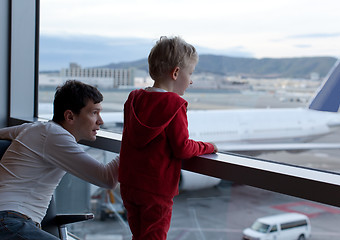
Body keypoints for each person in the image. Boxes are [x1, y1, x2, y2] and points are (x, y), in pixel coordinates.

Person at [118, 36, 218, 240]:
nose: (191, 80)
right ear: (175, 73)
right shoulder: (175, 105)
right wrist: (208, 146)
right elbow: (182, 148)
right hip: (156, 190)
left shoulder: (134, 98)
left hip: (129, 184)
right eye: (190, 73)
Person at [0, 80, 119, 240]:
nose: (100, 121)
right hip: (9, 221)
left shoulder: (36, 128)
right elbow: (107, 178)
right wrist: (134, 143)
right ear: (70, 116)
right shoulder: (54, 135)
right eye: (94, 113)